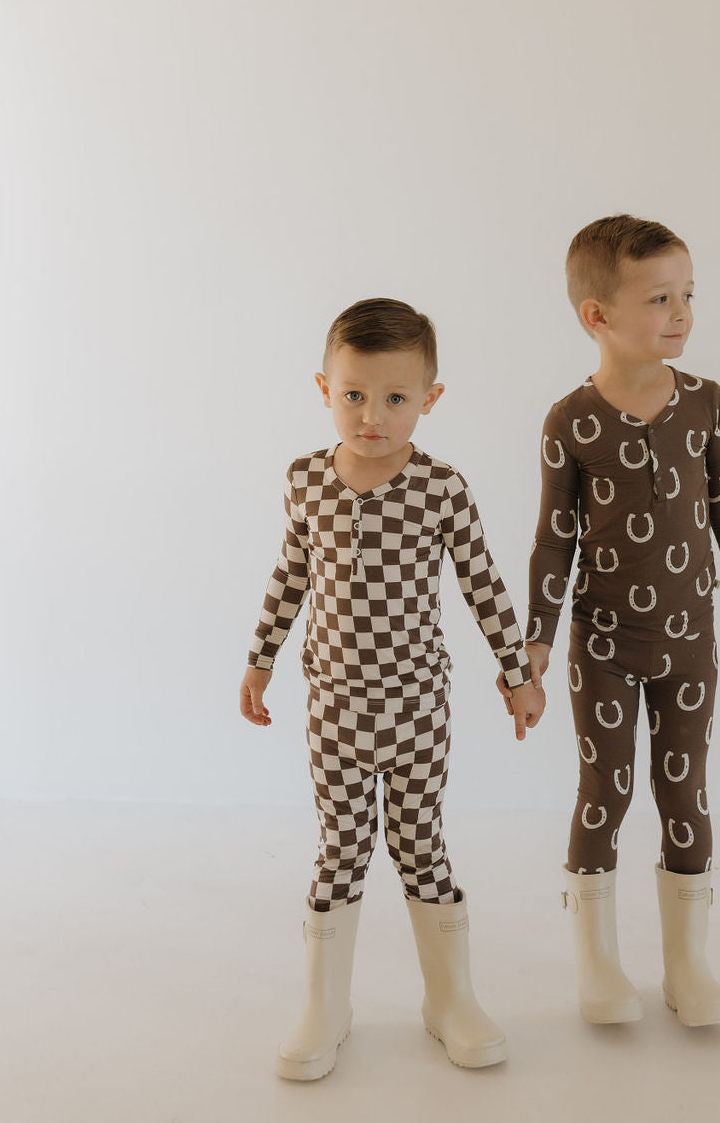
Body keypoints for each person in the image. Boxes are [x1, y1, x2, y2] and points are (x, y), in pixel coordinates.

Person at [241, 297, 544, 1079]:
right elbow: (289, 577)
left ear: (429, 400)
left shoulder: (440, 488)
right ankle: (326, 1006)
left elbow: (484, 584)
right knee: (340, 848)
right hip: (334, 713)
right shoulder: (306, 480)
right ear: (324, 388)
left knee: (421, 847)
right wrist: (260, 658)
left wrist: (517, 674)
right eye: (354, 395)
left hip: (416, 712)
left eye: (396, 398)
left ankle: (450, 1001)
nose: (372, 416)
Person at [512, 214, 720, 1027]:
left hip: (692, 641)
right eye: (661, 298)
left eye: (688, 294)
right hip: (604, 644)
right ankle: (598, 966)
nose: (683, 313)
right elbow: (554, 541)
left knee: (684, 790)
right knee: (607, 790)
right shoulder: (571, 421)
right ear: (597, 316)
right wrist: (537, 645)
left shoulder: (707, 403)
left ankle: (687, 967)